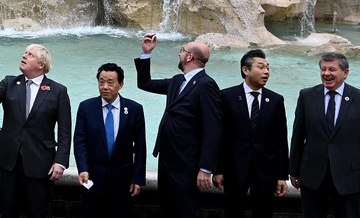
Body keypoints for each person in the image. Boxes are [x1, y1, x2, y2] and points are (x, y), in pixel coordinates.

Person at [0, 44, 71, 218]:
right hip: (9, 162)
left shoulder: (58, 91)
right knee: (7, 211)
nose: (24, 56)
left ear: (41, 64)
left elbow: (65, 131)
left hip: (40, 163)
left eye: (30, 54)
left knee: (37, 211)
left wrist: (61, 161)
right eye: (24, 53)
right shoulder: (10, 82)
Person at [134, 33, 222, 218]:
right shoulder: (177, 81)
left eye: (182, 51)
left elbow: (213, 129)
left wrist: (206, 168)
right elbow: (145, 83)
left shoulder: (207, 85)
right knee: (167, 208)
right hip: (167, 158)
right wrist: (146, 53)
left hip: (187, 163)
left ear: (189, 56)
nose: (179, 54)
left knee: (186, 210)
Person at [289, 52, 360, 218]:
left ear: (345, 73)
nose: (326, 73)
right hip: (312, 176)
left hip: (349, 178)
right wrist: (294, 170)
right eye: (323, 69)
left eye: (332, 69)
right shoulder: (306, 96)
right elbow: (297, 135)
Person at [213, 49, 289, 218]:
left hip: (265, 171)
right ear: (245, 70)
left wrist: (282, 175)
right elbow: (220, 136)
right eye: (261, 67)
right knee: (233, 211)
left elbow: (281, 140)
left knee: (264, 212)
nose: (266, 71)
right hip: (234, 168)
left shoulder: (276, 100)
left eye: (268, 68)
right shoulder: (226, 96)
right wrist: (218, 170)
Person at [73, 63, 146, 218]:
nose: (104, 87)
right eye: (101, 82)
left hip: (122, 180)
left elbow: (140, 147)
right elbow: (80, 141)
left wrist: (137, 178)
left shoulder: (134, 109)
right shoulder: (86, 107)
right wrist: (83, 168)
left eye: (110, 82)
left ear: (121, 84)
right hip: (92, 177)